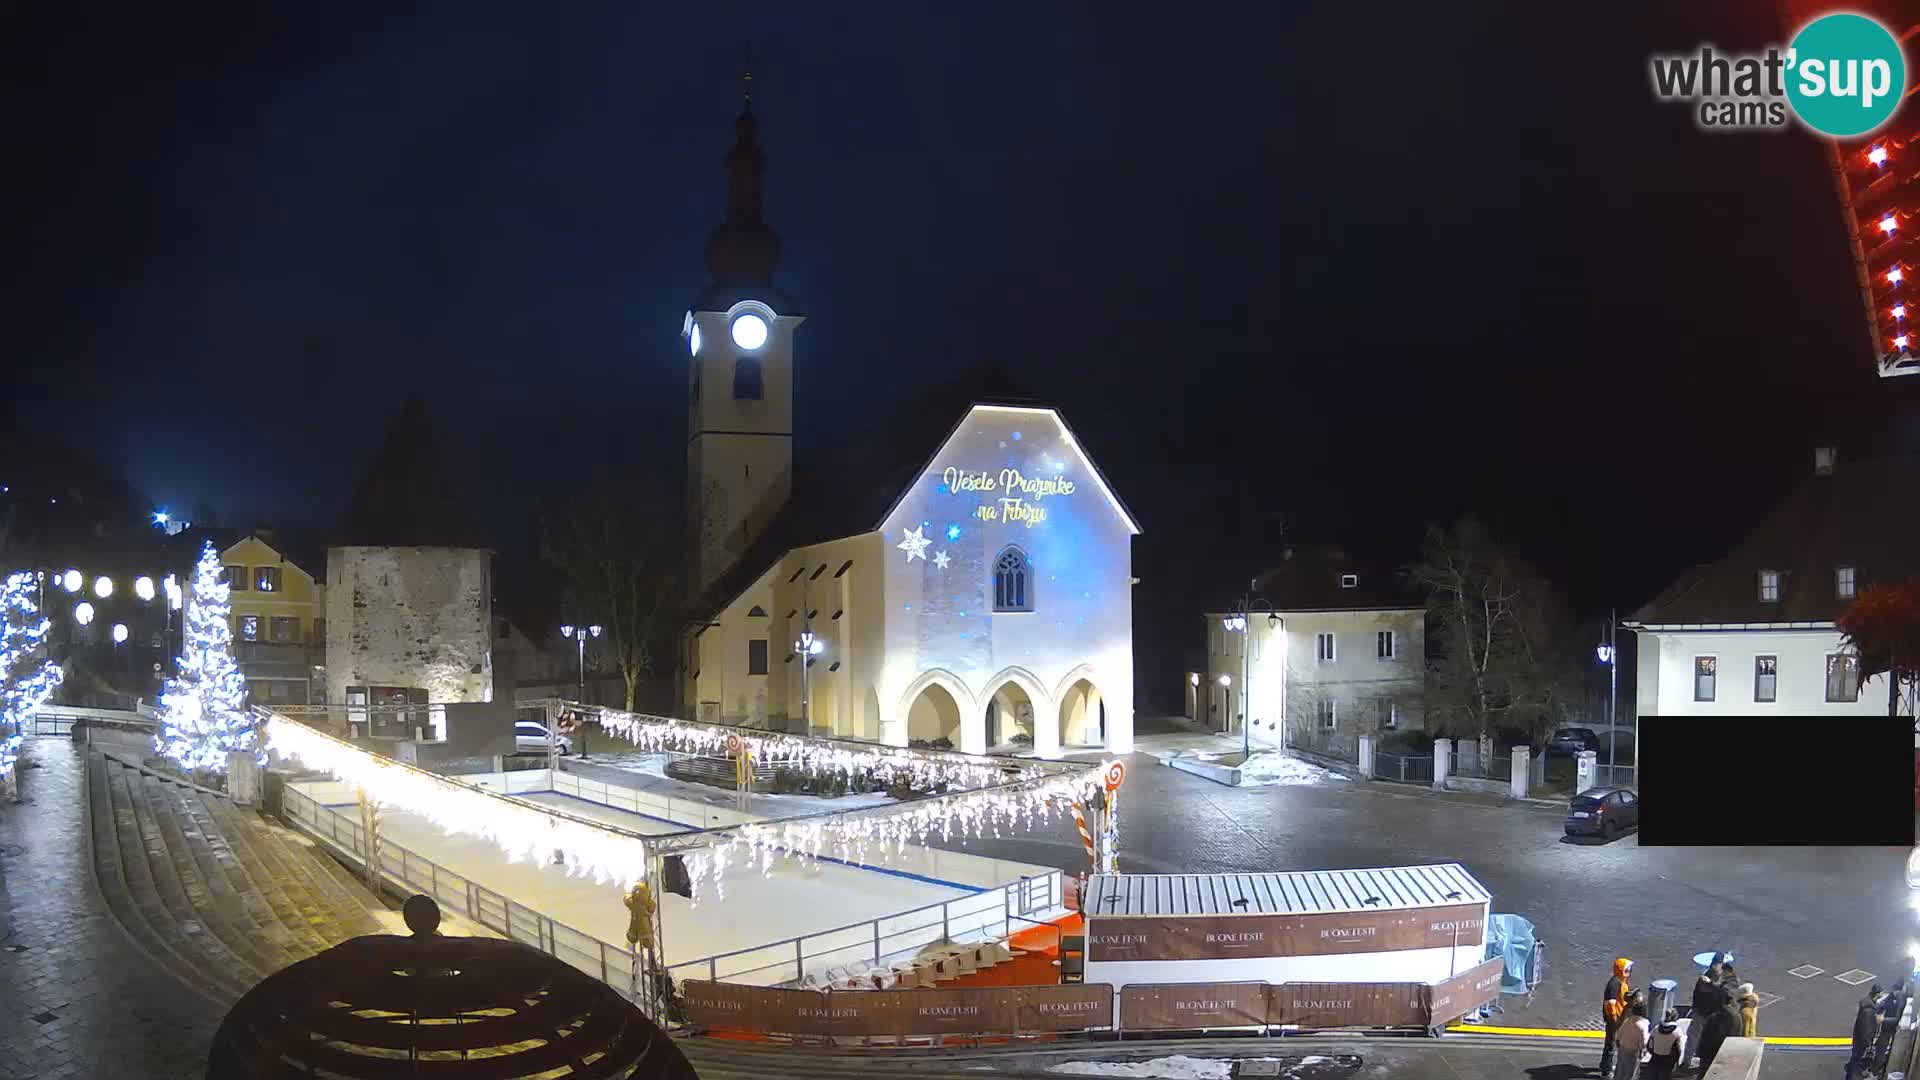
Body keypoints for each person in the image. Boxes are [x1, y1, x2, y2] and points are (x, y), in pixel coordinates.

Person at [1687, 955, 1724, 1068]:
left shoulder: (1706, 976)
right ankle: (1696, 1063)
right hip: (1707, 1014)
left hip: (1703, 1013)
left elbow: (1697, 994)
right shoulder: (1716, 977)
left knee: (1695, 1038)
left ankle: (1690, 1061)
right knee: (1701, 1039)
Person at [1694, 982, 1738, 1076]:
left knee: (1704, 1074)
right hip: (1725, 1053)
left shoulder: (1719, 1016)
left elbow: (1709, 1036)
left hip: (1711, 1053)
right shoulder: (1735, 1015)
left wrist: (1700, 1051)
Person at [1600, 957, 1634, 1076]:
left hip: (1620, 1017)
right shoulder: (1614, 984)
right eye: (1627, 970)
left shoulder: (1620, 981)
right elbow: (1610, 1004)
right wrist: (1614, 1019)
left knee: (1611, 1043)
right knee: (1611, 1044)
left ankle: (1605, 1065)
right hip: (1615, 1020)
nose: (1629, 972)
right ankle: (1606, 1070)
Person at [1874, 979, 1907, 1072]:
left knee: (1882, 1049)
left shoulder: (1901, 1000)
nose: (1893, 992)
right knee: (1879, 1046)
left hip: (1890, 1029)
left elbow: (1897, 1019)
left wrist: (1883, 1019)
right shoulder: (1892, 995)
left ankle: (1877, 1070)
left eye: (1895, 990)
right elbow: (1884, 1003)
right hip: (1885, 1027)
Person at [1848, 989, 1882, 1080]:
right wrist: (1868, 1042)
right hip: (1861, 1040)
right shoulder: (1869, 1012)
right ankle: (1851, 1075)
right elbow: (1867, 1029)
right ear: (1877, 994)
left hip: (1857, 1036)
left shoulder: (1865, 1004)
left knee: (1854, 1056)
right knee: (1857, 1058)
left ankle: (1850, 1072)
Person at [1645, 1008, 1687, 1080]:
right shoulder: (1677, 1031)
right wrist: (1679, 1062)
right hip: (1668, 1062)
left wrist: (1654, 1052)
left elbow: (1649, 1044)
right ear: (1675, 1017)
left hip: (1655, 1059)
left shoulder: (1656, 1028)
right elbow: (1680, 1048)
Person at [1613, 999, 1650, 1080]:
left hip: (1622, 1049)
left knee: (1620, 1071)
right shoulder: (1643, 1025)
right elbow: (1644, 1042)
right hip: (1633, 1052)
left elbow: (1619, 1034)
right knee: (1630, 1074)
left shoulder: (1627, 1020)